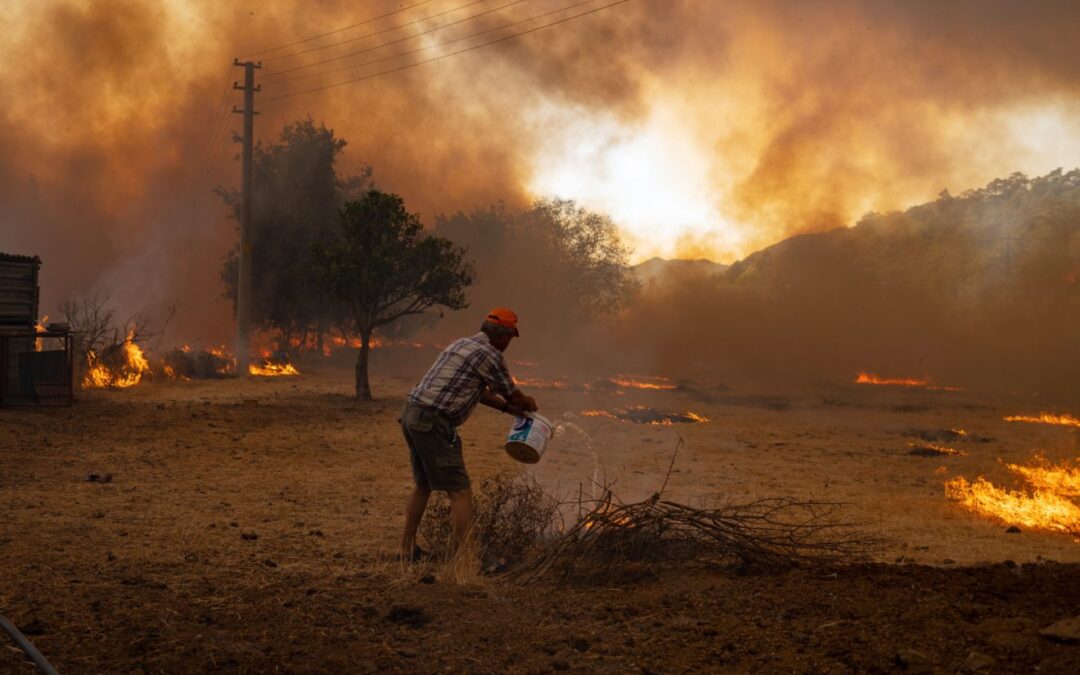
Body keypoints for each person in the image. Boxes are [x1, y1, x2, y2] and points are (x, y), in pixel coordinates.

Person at [399, 307, 538, 561]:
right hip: (433, 422)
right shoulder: (491, 355)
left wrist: (507, 409)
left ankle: (406, 551)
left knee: (424, 485)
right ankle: (467, 559)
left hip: (412, 414)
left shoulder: (461, 344)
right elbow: (513, 393)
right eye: (510, 338)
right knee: (460, 492)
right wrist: (527, 403)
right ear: (504, 336)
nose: (509, 344)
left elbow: (479, 392)